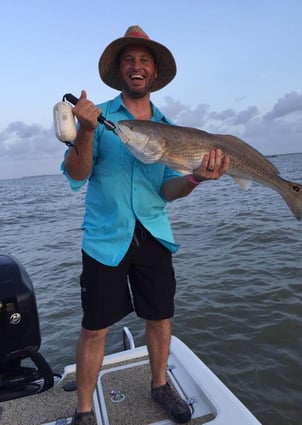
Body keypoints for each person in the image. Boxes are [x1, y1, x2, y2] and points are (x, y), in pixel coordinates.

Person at [62, 25, 230, 425]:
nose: (136, 67)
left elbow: (167, 192)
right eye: (129, 60)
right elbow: (76, 174)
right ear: (121, 71)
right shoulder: (98, 118)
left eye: (144, 61)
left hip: (154, 234)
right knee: (94, 328)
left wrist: (194, 179)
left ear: (154, 73)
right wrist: (86, 131)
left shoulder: (173, 129)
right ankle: (83, 411)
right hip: (106, 237)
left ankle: (159, 386)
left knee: (159, 318)